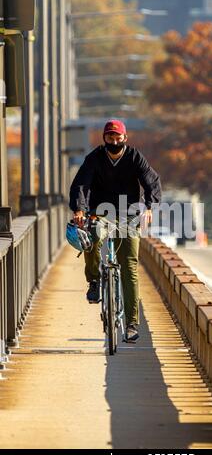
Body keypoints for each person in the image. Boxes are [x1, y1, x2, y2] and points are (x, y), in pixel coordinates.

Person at [69, 119, 162, 341]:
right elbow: (80, 184)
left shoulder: (134, 157)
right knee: (92, 237)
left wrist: (149, 206)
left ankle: (131, 323)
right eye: (110, 137)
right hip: (99, 212)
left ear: (125, 138)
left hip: (129, 215)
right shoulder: (95, 158)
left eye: (118, 137)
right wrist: (79, 209)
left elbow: (152, 182)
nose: (114, 141)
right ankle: (93, 281)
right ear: (104, 138)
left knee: (129, 266)